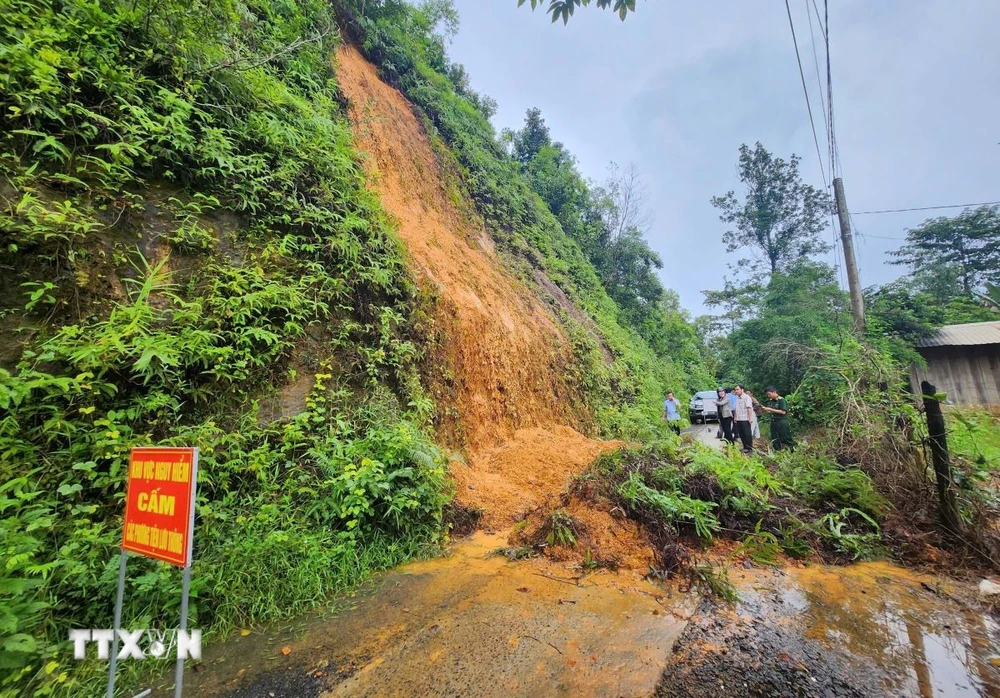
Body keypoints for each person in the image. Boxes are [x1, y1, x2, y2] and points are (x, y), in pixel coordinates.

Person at [761, 386, 795, 451]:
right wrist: (765, 409)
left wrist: (770, 409)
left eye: (769, 394)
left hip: (782, 422)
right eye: (767, 395)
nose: (768, 396)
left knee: (785, 437)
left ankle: (790, 450)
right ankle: (778, 451)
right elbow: (771, 411)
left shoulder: (781, 400)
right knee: (775, 438)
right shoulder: (772, 401)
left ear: (774, 392)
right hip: (774, 421)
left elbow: (783, 412)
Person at [732, 384, 757, 453]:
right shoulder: (737, 398)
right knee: (741, 433)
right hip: (739, 419)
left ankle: (749, 447)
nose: (736, 391)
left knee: (747, 433)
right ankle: (744, 446)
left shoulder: (747, 397)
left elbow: (749, 408)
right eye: (735, 390)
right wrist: (735, 417)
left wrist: (750, 418)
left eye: (737, 389)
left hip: (745, 419)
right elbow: (736, 409)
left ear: (742, 390)